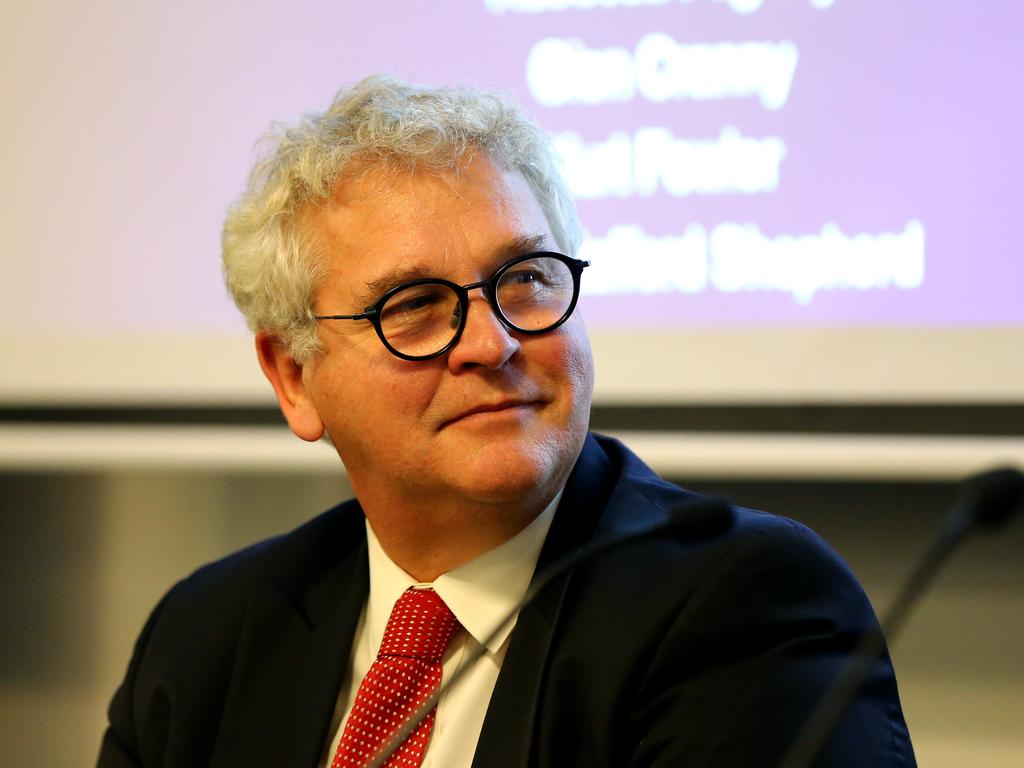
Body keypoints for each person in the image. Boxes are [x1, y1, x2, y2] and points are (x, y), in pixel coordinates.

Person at [97, 76, 915, 768]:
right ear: (294, 377)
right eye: (414, 306)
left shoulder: (742, 607)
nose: (493, 343)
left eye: (524, 278)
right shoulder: (211, 636)